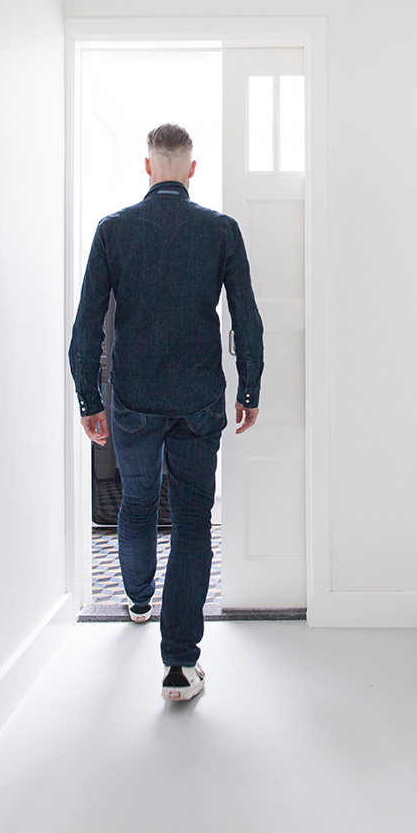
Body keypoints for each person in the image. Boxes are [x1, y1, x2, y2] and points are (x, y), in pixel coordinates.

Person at [69, 123, 263, 701]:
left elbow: (86, 326)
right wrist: (248, 389)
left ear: (149, 168)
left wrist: (89, 398)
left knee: (134, 500)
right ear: (192, 169)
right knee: (193, 521)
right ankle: (180, 664)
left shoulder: (114, 230)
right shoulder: (220, 230)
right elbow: (245, 319)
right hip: (200, 401)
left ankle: (135, 599)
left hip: (132, 399)